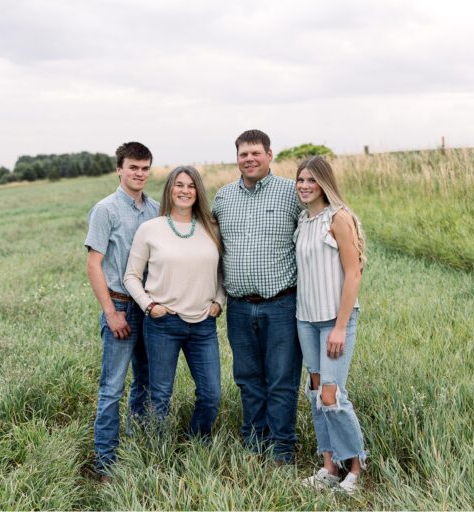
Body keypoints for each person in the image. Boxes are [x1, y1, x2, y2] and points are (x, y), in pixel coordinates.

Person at [211, 129, 303, 463]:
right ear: (236, 157)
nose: (249, 159)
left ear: (269, 154)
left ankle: (281, 449)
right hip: (238, 306)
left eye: (255, 153)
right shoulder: (222, 197)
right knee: (248, 379)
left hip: (280, 304)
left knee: (281, 380)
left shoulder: (292, 193)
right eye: (243, 154)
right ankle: (254, 443)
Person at [124, 166, 225, 438]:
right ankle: (159, 451)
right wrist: (149, 306)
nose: (185, 190)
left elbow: (221, 272)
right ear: (170, 189)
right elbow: (131, 276)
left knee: (211, 394)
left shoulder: (211, 228)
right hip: (163, 324)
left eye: (191, 186)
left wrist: (219, 300)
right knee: (160, 395)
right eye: (179, 185)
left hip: (203, 324)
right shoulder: (150, 229)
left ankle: (197, 443)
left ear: (198, 191)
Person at [84, 141, 160, 482]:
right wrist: (111, 313)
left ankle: (137, 446)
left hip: (150, 308)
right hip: (120, 305)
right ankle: (105, 464)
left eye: (145, 168)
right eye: (133, 167)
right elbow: (93, 264)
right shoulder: (106, 210)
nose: (139, 174)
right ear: (119, 169)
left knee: (145, 382)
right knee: (112, 387)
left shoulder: (156, 209)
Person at [293, 156, 368, 494]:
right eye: (301, 180)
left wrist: (339, 326)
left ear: (324, 183)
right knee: (315, 395)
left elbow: (353, 273)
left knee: (331, 395)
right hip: (305, 319)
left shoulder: (338, 218)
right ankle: (329, 466)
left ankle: (355, 466)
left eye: (312, 180)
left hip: (335, 320)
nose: (305, 186)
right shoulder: (303, 221)